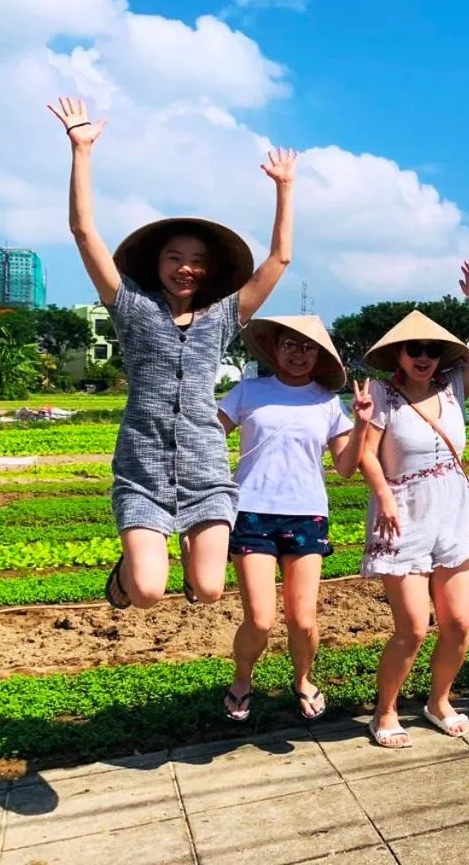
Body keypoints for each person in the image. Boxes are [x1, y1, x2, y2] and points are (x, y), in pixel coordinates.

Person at [47, 97, 296, 610]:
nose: (186, 269)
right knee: (147, 593)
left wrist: (285, 189)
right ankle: (130, 572)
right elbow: (83, 231)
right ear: (157, 263)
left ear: (209, 270)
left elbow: (280, 258)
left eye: (197, 261)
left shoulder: (225, 314)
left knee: (207, 590)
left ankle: (183, 555)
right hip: (143, 468)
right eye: (175, 258)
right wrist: (81, 150)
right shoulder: (130, 306)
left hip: (205, 469)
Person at [358, 262, 469, 748]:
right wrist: (384, 501)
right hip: (404, 515)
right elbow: (365, 457)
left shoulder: (453, 385)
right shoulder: (382, 394)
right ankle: (386, 710)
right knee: (414, 628)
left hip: (453, 514)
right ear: (398, 353)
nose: (424, 358)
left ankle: (439, 700)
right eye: (415, 350)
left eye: (432, 351)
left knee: (459, 623)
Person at [217, 316, 370, 722]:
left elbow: (345, 467)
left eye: (308, 347)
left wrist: (363, 424)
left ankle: (302, 678)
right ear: (276, 348)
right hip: (251, 512)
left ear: (319, 355)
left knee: (302, 620)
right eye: (290, 345)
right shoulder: (249, 390)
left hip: (305, 514)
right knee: (261, 618)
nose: (299, 354)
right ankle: (242, 677)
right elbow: (211, 433)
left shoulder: (325, 401)